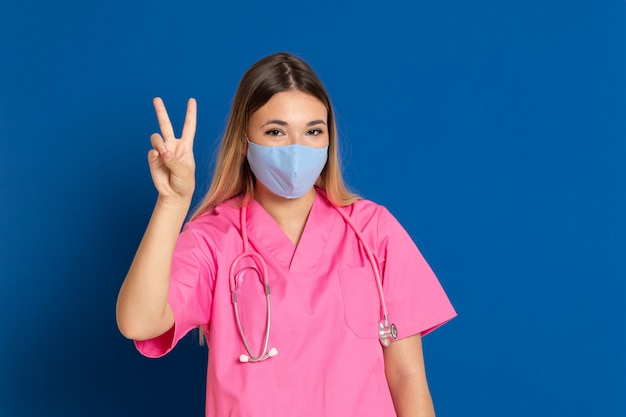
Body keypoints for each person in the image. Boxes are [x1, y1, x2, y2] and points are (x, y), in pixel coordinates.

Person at [116, 52, 456, 417]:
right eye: (276, 131)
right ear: (245, 140)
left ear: (329, 138)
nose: (297, 149)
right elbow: (139, 322)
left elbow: (407, 377)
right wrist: (172, 202)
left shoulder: (372, 232)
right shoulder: (214, 239)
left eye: (313, 131)